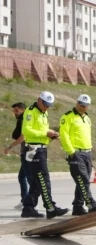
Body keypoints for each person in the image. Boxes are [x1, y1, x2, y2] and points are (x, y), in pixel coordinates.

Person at [20, 91, 69, 219]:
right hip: (34, 150)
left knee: (36, 182)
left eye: (49, 105)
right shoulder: (31, 111)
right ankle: (50, 208)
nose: (47, 107)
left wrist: (51, 136)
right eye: (45, 104)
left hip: (41, 148)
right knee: (43, 178)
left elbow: (42, 132)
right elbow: (26, 130)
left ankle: (28, 208)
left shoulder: (44, 113)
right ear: (39, 100)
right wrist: (45, 133)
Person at [59, 94, 96, 216]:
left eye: (85, 106)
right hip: (76, 152)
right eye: (80, 105)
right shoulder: (68, 117)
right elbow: (64, 134)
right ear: (77, 103)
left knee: (82, 181)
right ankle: (91, 204)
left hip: (87, 152)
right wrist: (71, 152)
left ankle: (78, 206)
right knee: (83, 180)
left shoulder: (87, 118)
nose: (82, 108)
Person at [4, 102, 30, 209]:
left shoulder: (25, 119)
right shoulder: (22, 119)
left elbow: (23, 137)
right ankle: (25, 200)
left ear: (22, 110)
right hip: (26, 151)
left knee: (27, 177)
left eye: (16, 110)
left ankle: (29, 202)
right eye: (14, 111)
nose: (15, 113)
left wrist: (10, 146)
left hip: (29, 151)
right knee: (23, 177)